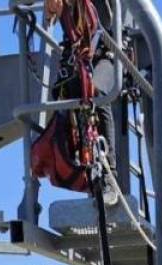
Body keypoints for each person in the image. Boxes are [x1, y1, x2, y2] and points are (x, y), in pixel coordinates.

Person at [45, 0, 120, 205]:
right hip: (77, 54)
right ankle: (82, 169)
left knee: (98, 95)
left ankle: (109, 176)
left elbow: (102, 20)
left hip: (104, 51)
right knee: (67, 95)